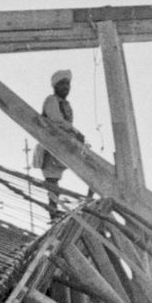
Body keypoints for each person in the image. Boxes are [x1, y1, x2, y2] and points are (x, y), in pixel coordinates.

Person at [33, 69, 85, 219]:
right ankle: (53, 210)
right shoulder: (51, 100)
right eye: (62, 84)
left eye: (67, 84)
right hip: (50, 145)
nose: (66, 87)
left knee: (56, 179)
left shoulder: (65, 103)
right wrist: (75, 132)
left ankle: (54, 208)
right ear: (55, 86)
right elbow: (56, 120)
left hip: (60, 144)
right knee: (52, 179)